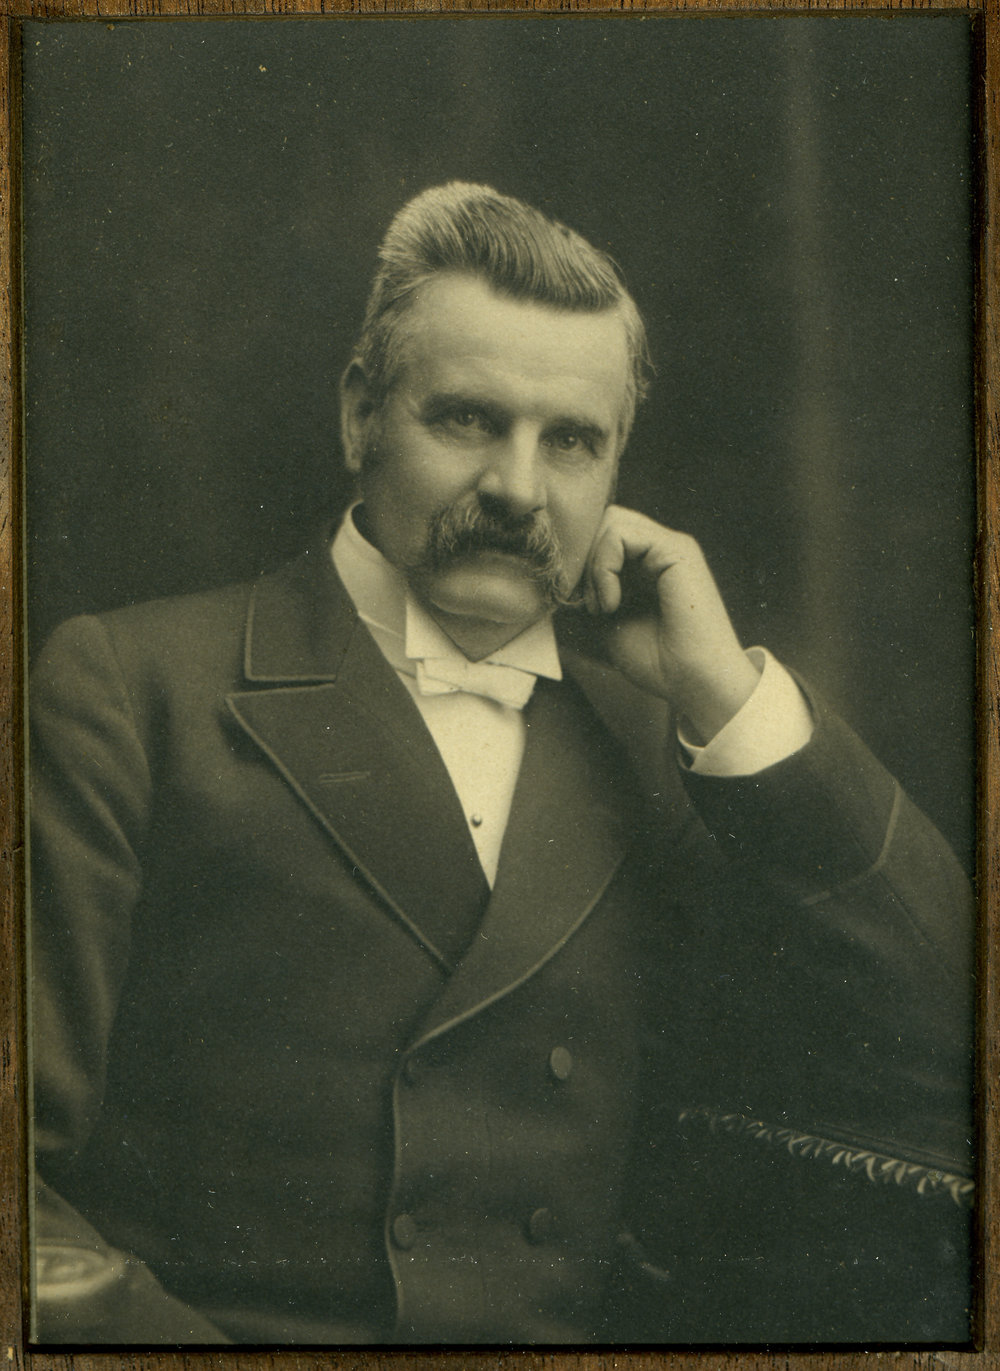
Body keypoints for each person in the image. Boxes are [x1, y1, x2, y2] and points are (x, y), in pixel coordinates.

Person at [29, 182, 974, 1347]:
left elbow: (942, 1017)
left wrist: (724, 693)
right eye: (468, 419)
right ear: (358, 415)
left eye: (571, 441)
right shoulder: (136, 689)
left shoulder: (658, 740)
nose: (519, 490)